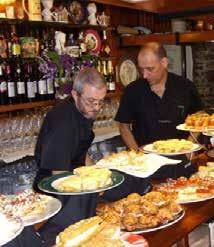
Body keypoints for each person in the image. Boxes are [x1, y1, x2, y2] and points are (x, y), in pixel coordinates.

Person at [33, 67, 107, 246]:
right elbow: (58, 177)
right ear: (75, 94)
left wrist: (97, 175)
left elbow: (82, 151)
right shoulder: (62, 124)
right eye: (91, 102)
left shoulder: (84, 109)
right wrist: (89, 187)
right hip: (54, 191)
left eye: (101, 102)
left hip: (74, 181)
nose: (96, 108)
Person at [115, 42, 203, 178]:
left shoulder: (185, 86)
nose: (144, 75)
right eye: (141, 69)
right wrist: (137, 153)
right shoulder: (132, 91)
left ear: (164, 62)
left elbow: (199, 116)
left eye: (150, 69)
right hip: (147, 163)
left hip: (182, 158)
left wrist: (190, 145)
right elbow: (123, 126)